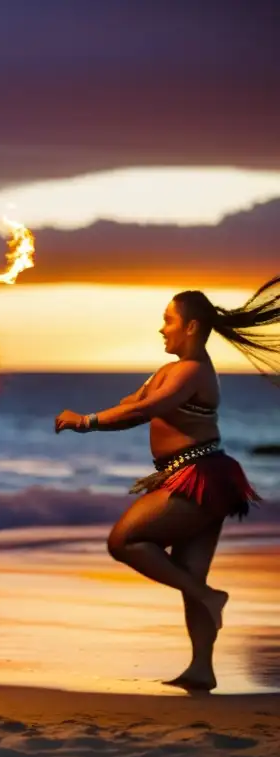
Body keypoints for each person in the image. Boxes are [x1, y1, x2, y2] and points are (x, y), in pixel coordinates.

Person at [55, 276, 278, 691]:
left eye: (168, 320)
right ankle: (201, 669)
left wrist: (84, 422)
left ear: (191, 326)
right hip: (201, 474)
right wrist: (126, 405)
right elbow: (133, 406)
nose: (162, 328)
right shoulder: (172, 371)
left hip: (199, 476)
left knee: (123, 541)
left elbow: (145, 410)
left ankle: (210, 598)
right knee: (190, 569)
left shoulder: (192, 371)